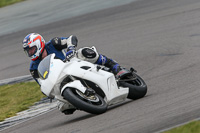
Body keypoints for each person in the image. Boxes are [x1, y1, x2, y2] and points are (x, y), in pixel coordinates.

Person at [22, 33, 131, 115]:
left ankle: (114, 66)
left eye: (31, 49)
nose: (30, 53)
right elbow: (41, 82)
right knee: (63, 107)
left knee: (85, 52)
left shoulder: (53, 43)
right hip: (59, 80)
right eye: (28, 51)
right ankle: (80, 100)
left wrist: (70, 48)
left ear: (39, 44)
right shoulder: (33, 67)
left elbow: (71, 38)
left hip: (71, 63)